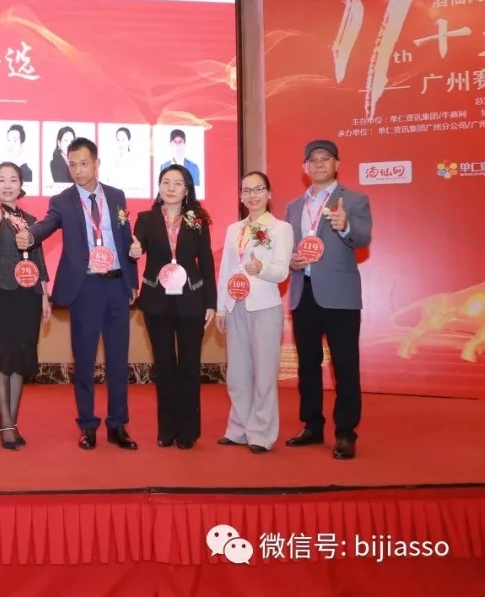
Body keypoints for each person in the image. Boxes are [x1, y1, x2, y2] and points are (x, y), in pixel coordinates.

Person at [16, 137, 139, 450]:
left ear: (96, 164)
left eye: (83, 163)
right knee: (84, 361)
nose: (78, 170)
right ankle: (88, 426)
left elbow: (125, 239)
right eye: (72, 164)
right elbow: (47, 225)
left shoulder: (116, 196)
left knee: (118, 361)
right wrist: (29, 236)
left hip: (116, 285)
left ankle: (118, 425)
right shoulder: (62, 201)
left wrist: (132, 280)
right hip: (85, 288)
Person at [285, 139, 372, 460]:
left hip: (340, 297)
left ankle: (346, 432)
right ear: (304, 167)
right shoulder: (294, 206)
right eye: (313, 159)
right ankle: (312, 426)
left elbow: (363, 237)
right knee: (307, 366)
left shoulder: (354, 199)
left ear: (337, 164)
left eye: (326, 158)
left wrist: (345, 225)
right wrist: (290, 261)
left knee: (345, 366)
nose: (319, 163)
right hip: (303, 293)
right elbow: (288, 248)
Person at [129, 165, 216, 449]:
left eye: (177, 183)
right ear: (158, 187)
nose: (170, 188)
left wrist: (211, 302)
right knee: (164, 366)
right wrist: (134, 250)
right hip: (157, 301)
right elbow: (137, 248)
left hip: (192, 301)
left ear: (186, 189)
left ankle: (188, 431)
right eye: (165, 182)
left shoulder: (197, 220)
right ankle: (166, 430)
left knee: (189, 366)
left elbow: (206, 262)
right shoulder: (146, 219)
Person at [214, 172, 292, 453]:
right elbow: (225, 271)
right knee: (237, 374)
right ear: (241, 196)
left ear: (269, 194)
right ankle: (239, 429)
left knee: (264, 374)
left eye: (258, 189)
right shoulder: (234, 229)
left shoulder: (280, 228)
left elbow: (282, 271)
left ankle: (261, 433)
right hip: (235, 306)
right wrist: (221, 308)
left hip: (264, 307)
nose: (252, 195)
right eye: (246, 190)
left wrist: (262, 269)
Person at [0, 162, 51, 449]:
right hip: (0, 292)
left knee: (21, 357)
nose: (7, 185)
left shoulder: (32, 220)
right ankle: (5, 422)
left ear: (21, 186)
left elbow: (39, 258)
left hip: (28, 295)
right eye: (1, 180)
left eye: (12, 180)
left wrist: (44, 295)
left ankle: (12, 421)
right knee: (0, 356)